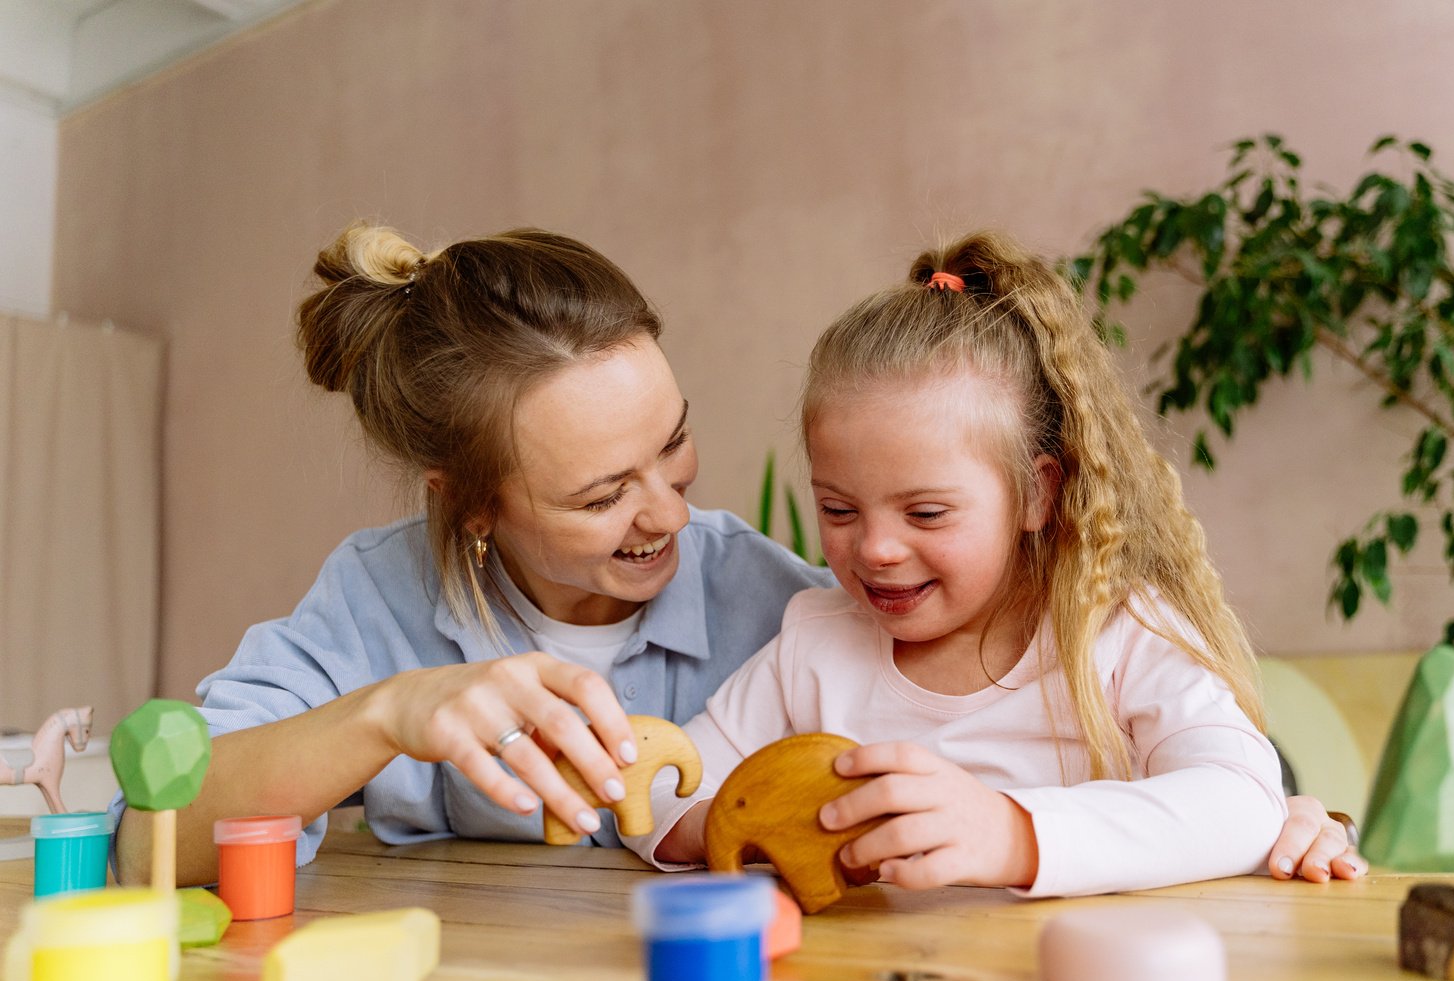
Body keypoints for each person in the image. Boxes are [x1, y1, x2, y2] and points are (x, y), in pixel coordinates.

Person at [111, 222, 1364, 888]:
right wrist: (393, 713)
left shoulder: (782, 602)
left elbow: (1204, 773)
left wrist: (1250, 813)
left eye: (676, 445)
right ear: (474, 504)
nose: (665, 512)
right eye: (605, 491)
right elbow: (145, 839)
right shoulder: (380, 599)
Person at [641, 232, 1344, 896]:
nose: (876, 548)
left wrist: (1013, 834)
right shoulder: (817, 641)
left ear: (1036, 492)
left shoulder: (1118, 631)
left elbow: (1242, 801)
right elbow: (662, 790)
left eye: (926, 514)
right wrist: (747, 826)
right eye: (839, 510)